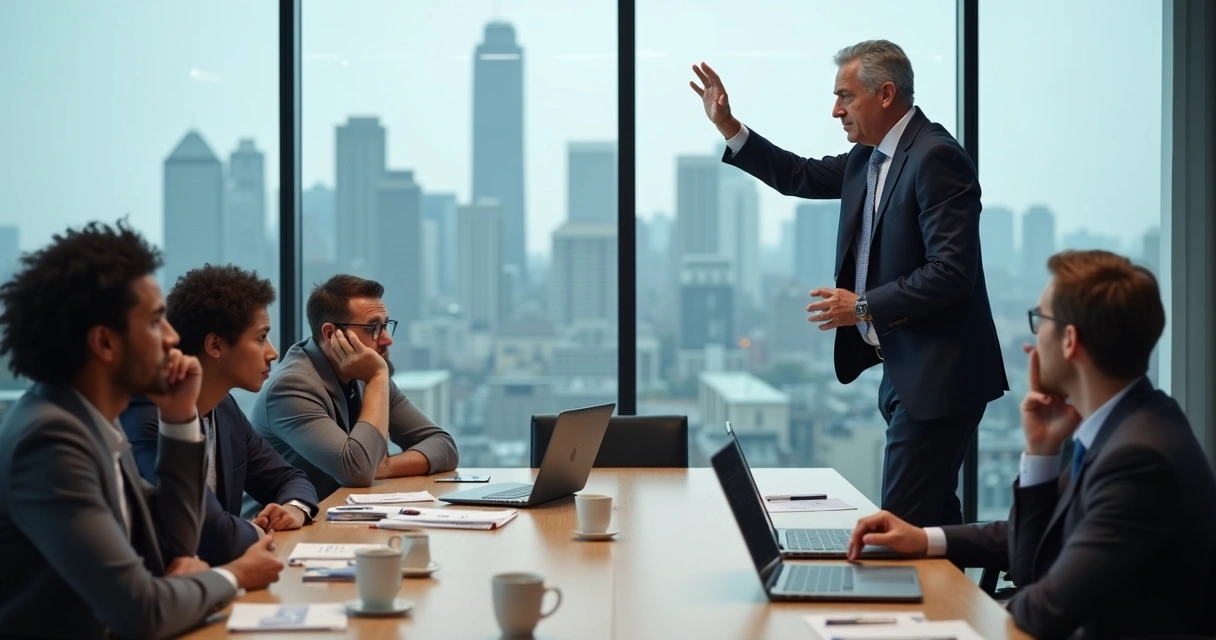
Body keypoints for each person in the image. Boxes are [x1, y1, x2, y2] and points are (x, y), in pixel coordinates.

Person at [690, 40, 1007, 527]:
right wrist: (729, 127)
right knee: (934, 522)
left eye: (845, 96)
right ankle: (958, 603)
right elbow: (797, 174)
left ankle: (911, 603)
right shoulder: (867, 158)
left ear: (884, 94)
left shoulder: (936, 157)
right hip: (902, 370)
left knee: (898, 526)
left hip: (942, 376)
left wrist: (861, 307)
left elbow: (952, 272)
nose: (835, 110)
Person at [847, 250, 1216, 639]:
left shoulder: (1139, 458)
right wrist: (922, 537)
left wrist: (1008, 594)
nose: (1033, 339)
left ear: (1070, 340)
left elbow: (1041, 606)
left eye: (1040, 321)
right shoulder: (1133, 423)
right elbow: (1047, 537)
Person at [0, 221, 282, 639]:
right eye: (155, 323)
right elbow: (142, 609)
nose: (172, 338)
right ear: (106, 343)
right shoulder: (51, 441)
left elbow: (176, 544)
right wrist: (236, 575)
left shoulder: (92, 421)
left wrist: (179, 416)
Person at [120, 264, 319, 565]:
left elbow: (288, 477)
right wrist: (255, 530)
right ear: (215, 345)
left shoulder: (224, 407)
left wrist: (292, 507)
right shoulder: (148, 417)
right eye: (261, 338)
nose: (273, 352)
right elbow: (211, 532)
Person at [253, 274, 458, 498]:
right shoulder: (291, 386)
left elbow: (444, 446)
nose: (387, 339)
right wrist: (378, 377)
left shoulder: (365, 371)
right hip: (290, 527)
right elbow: (358, 471)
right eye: (373, 328)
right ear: (331, 334)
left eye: (386, 325)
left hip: (345, 519)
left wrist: (384, 467)